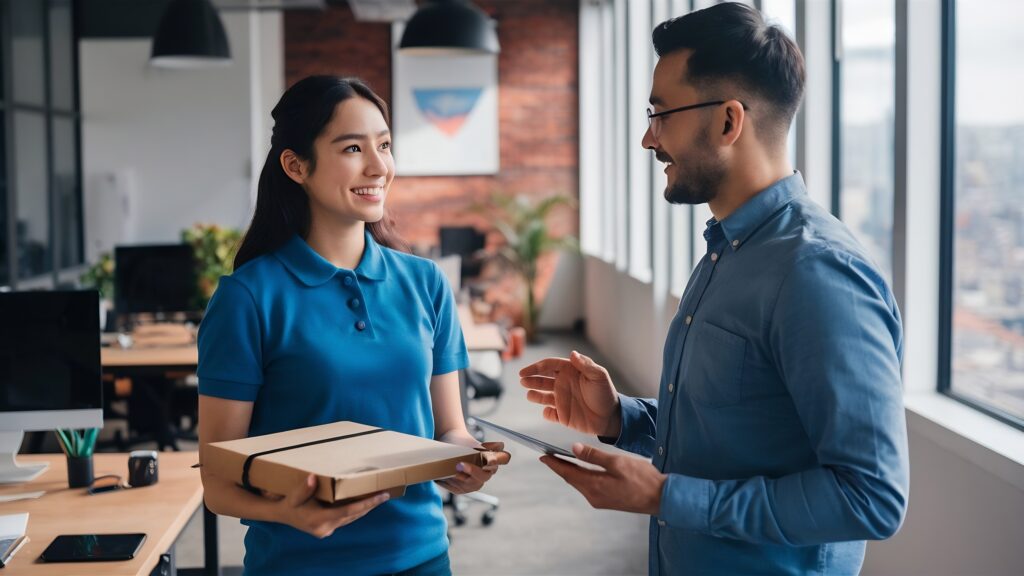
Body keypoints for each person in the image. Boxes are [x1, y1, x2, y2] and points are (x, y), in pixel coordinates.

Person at [520, 4, 909, 574]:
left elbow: (870, 497)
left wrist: (663, 496)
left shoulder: (819, 274)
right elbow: (732, 433)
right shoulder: (727, 250)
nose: (649, 139)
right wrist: (621, 418)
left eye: (661, 114)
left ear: (729, 121)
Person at [197, 75, 506, 576]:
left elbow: (448, 428)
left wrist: (466, 461)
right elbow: (218, 481)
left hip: (423, 558)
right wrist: (284, 511)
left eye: (384, 145)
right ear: (296, 166)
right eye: (352, 148)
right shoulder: (248, 298)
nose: (378, 166)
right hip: (299, 566)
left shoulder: (426, 283)